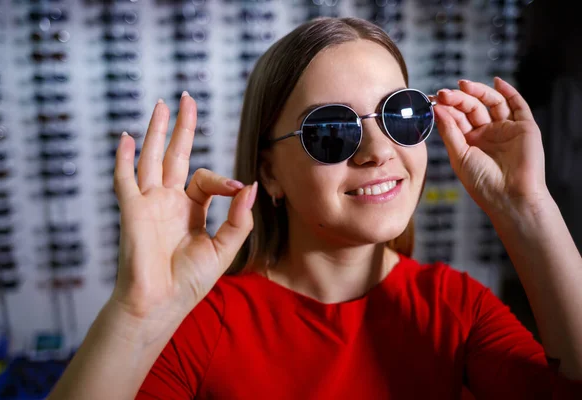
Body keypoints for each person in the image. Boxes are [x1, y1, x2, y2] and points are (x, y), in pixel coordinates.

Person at [46, 17, 582, 399]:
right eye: (332, 130)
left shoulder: (453, 307)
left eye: (400, 115)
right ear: (271, 172)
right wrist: (137, 312)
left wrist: (528, 210)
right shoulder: (204, 322)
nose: (379, 152)